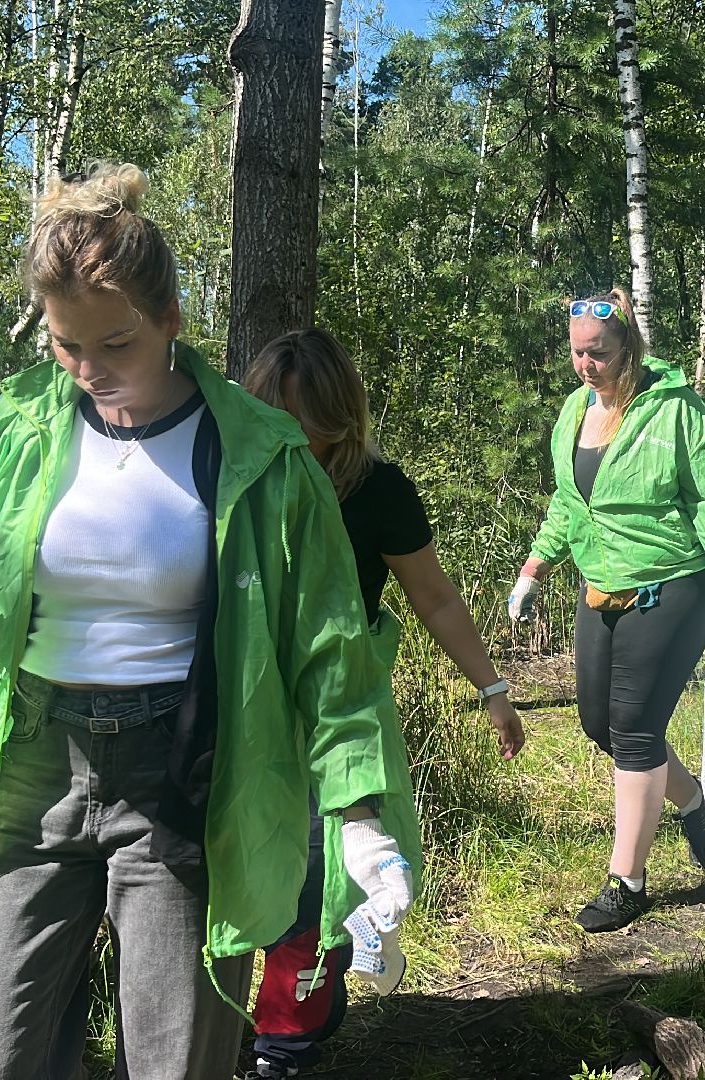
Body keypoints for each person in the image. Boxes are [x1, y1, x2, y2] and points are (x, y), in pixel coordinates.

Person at [0, 162, 417, 1080]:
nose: (88, 371)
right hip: (36, 766)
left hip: (188, 781)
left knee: (176, 1059)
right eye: (64, 346)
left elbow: (327, 646)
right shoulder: (22, 424)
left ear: (171, 321)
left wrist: (359, 815)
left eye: (114, 344)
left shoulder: (262, 453)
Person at [237, 328, 525, 1078]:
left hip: (333, 712)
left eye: (299, 421)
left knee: (313, 866)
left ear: (339, 421)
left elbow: (434, 598)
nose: (284, 435)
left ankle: (284, 1043)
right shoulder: (233, 477)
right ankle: (252, 1008)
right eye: (269, 414)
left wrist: (493, 691)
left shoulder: (378, 491)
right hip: (239, 708)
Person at [507, 288, 705, 934]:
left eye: (596, 353)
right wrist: (533, 570)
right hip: (602, 585)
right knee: (600, 725)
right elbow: (569, 508)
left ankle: (628, 880)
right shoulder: (573, 413)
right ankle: (696, 804)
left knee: (634, 729)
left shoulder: (678, 414)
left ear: (628, 346)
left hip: (675, 585)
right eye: (576, 353)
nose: (585, 365)